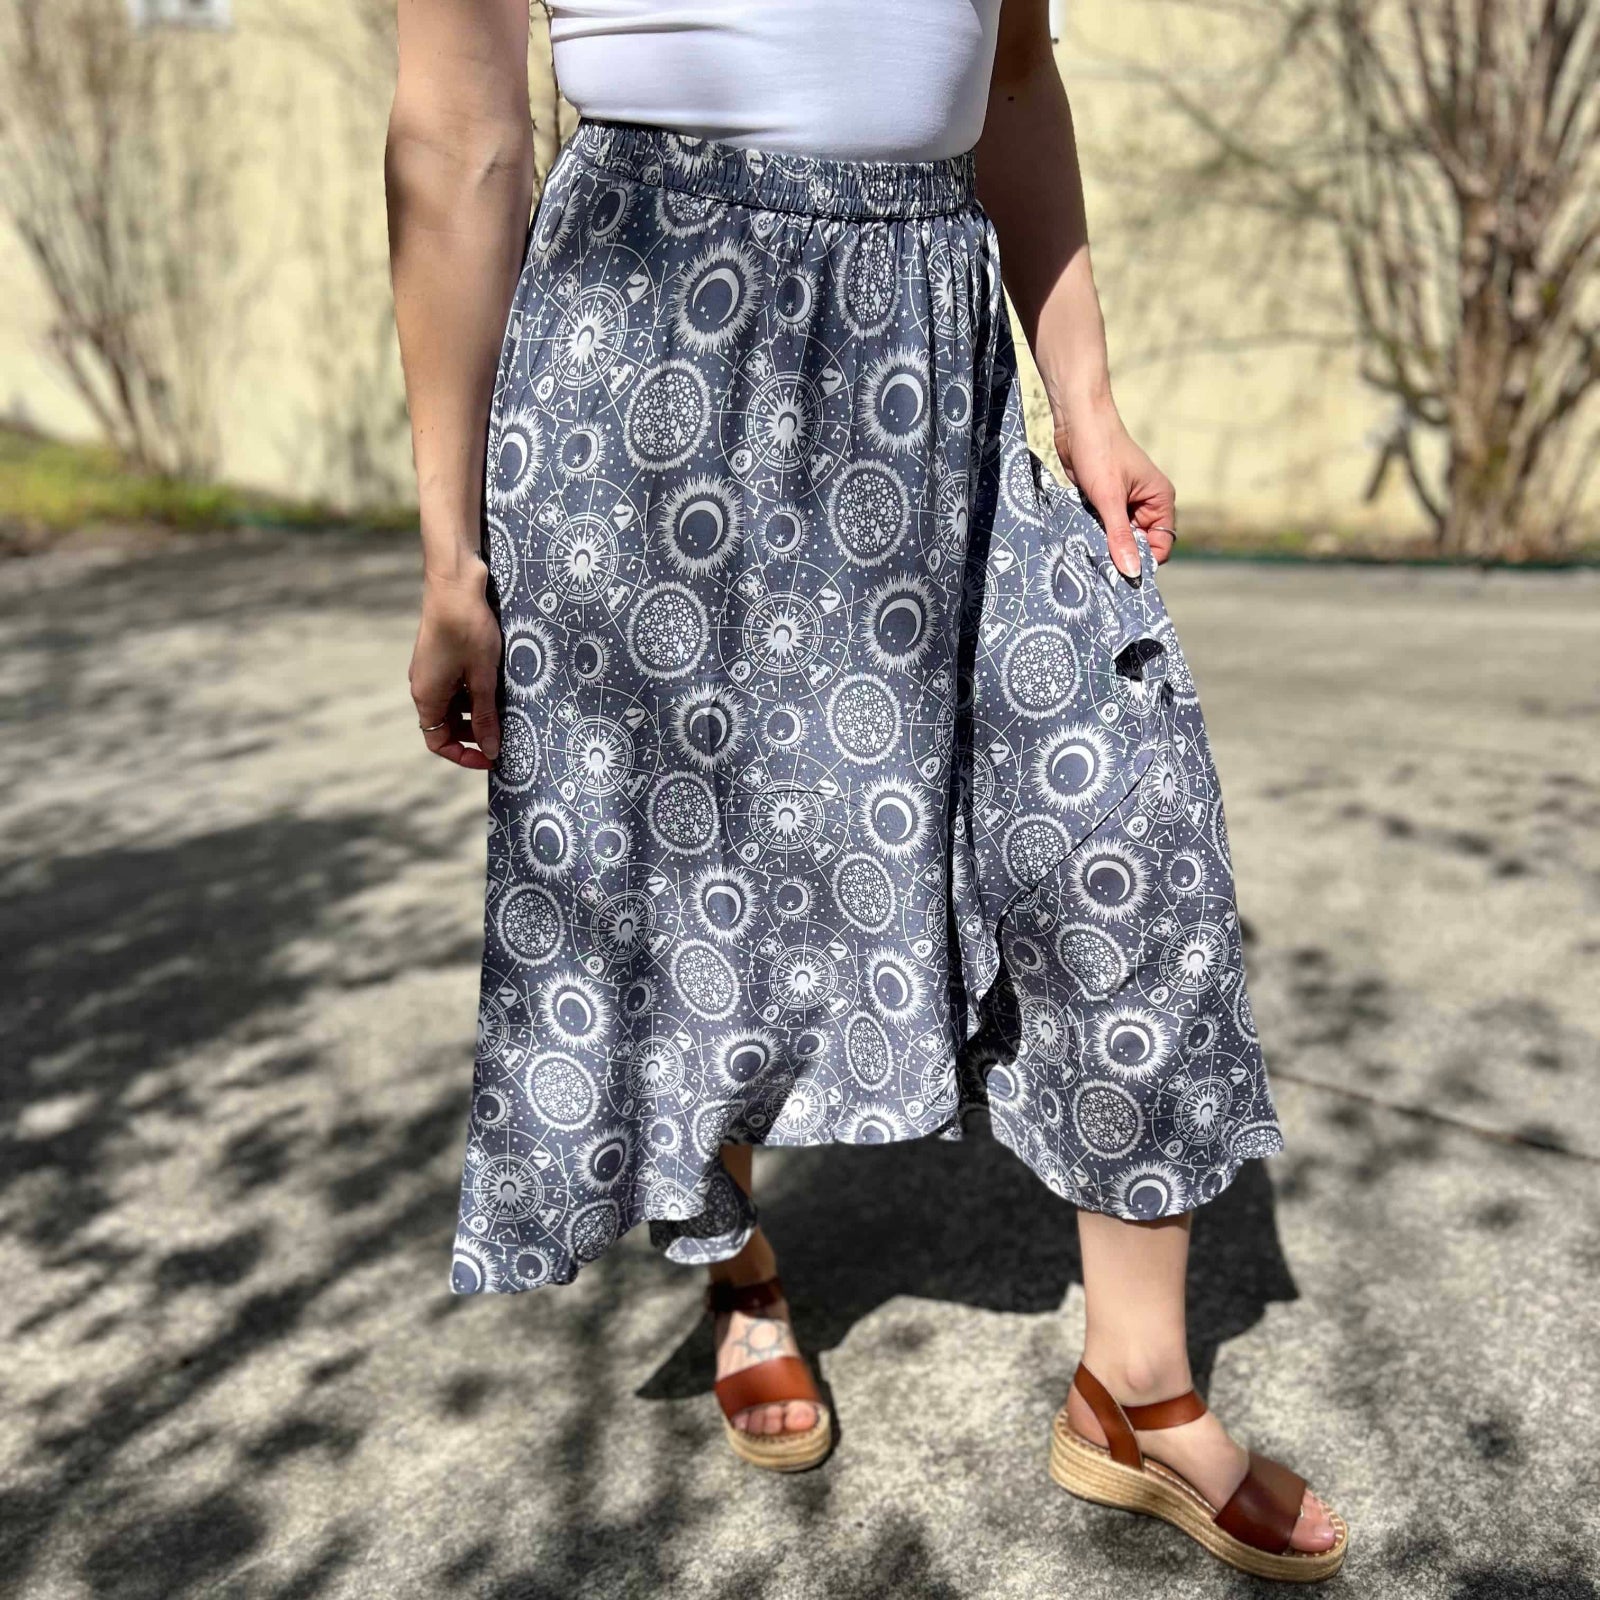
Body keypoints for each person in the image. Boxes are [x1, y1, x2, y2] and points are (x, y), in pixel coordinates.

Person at [384, 0, 1346, 1579]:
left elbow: (1017, 68)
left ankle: (1138, 1389)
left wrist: (1083, 399)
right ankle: (741, 1263)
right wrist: (449, 553)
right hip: (656, 348)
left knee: (1118, 822)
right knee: (713, 869)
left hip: (935, 334)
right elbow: (459, 138)